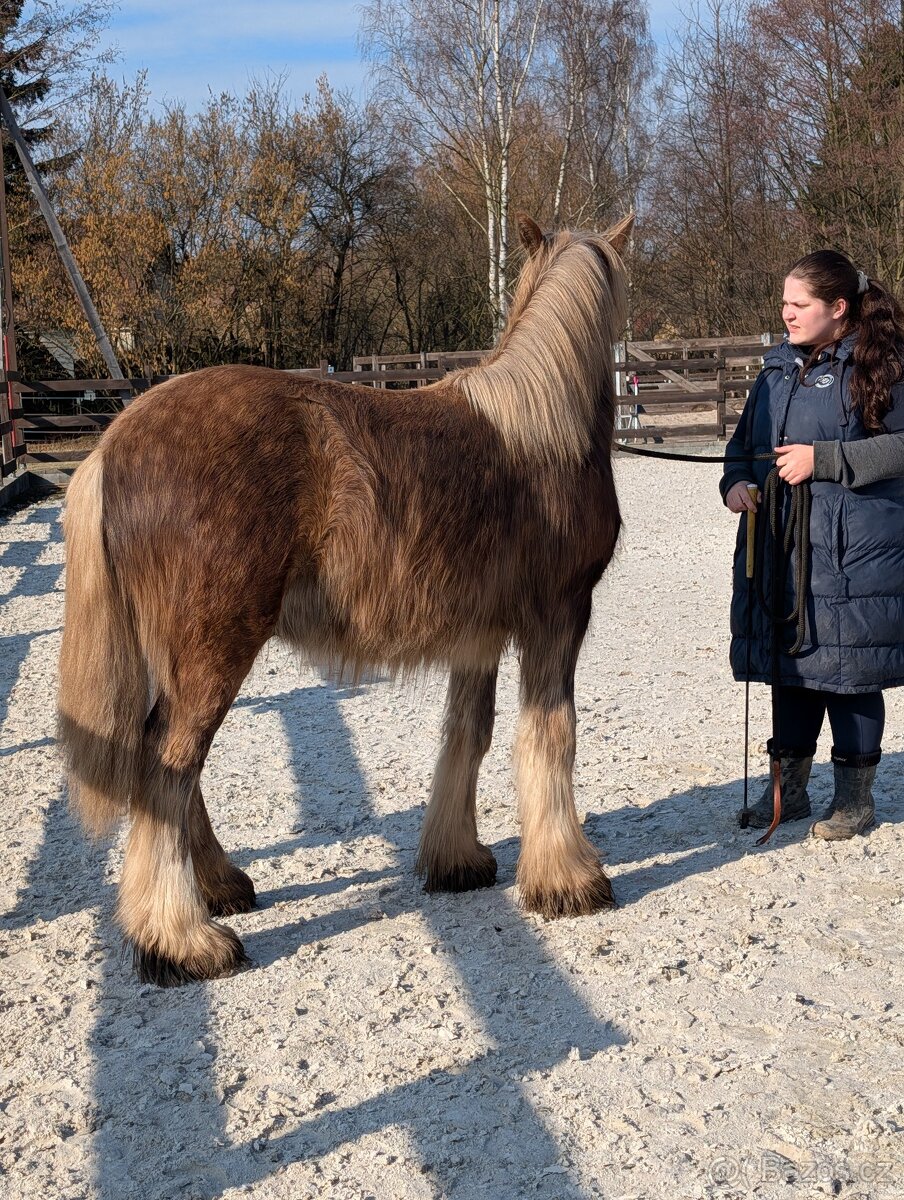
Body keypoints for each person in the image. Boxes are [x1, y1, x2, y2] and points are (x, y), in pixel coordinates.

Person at [720, 250, 904, 839]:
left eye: (799, 304)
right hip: (782, 543)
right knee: (790, 667)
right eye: (784, 303)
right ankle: (788, 792)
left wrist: (823, 460)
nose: (786, 314)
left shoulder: (881, 364)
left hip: (856, 551)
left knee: (850, 670)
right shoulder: (776, 370)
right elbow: (746, 443)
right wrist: (736, 481)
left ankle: (855, 800)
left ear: (838, 307)